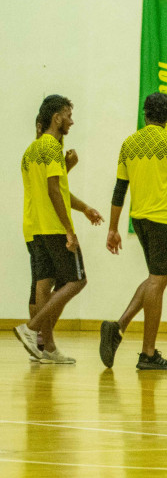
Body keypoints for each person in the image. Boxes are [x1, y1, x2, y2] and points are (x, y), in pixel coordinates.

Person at [98, 92, 167, 371]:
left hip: (140, 220)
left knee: (154, 280)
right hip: (163, 221)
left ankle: (119, 328)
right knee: (158, 284)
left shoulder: (129, 143)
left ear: (145, 113)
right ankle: (146, 353)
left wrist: (113, 228)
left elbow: (119, 190)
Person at [13, 95, 103, 363]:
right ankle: (30, 330)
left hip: (34, 227)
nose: (71, 121)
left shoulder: (32, 150)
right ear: (56, 118)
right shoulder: (51, 147)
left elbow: (55, 188)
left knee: (44, 283)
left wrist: (85, 208)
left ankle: (46, 348)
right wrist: (69, 230)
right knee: (77, 280)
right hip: (53, 226)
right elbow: (53, 191)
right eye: (68, 115)